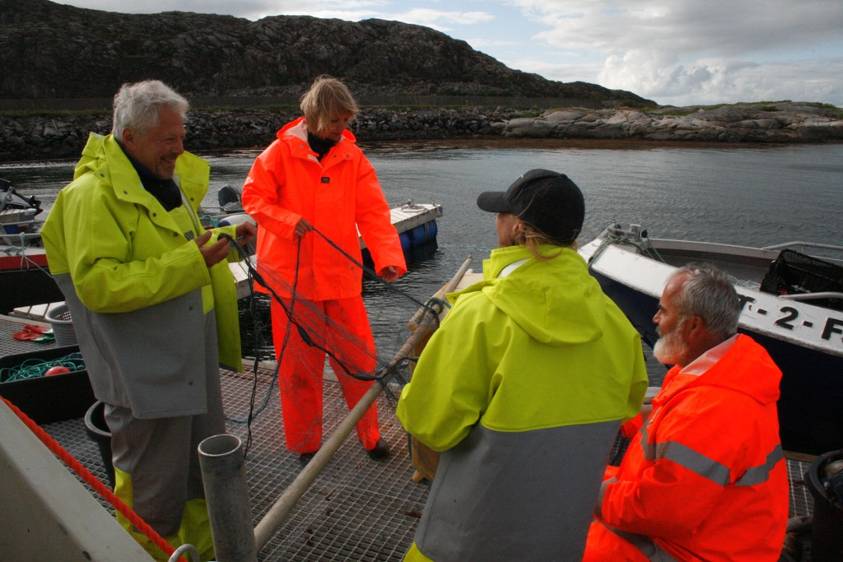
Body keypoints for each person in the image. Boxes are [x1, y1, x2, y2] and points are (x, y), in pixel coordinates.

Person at [41, 80, 255, 561]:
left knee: (201, 478)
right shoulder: (89, 196)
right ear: (130, 136)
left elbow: (174, 251)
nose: (179, 149)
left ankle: (202, 553)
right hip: (143, 374)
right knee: (152, 493)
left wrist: (223, 236)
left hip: (189, 360)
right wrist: (192, 264)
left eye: (180, 137)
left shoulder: (164, 182)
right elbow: (100, 286)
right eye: (168, 139)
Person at [396, 169, 648, 562]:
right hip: (562, 535)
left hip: (470, 536)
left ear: (518, 230)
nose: (495, 220)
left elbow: (431, 425)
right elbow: (629, 403)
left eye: (501, 213)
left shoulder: (480, 316)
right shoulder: (616, 322)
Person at [241, 75, 406, 464]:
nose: (341, 129)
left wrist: (388, 258)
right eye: (336, 121)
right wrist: (284, 219)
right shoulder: (277, 154)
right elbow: (253, 197)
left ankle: (370, 436)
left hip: (341, 279)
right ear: (315, 116)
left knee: (359, 364)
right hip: (291, 283)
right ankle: (305, 444)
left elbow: (373, 213)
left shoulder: (354, 158)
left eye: (346, 121)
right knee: (299, 372)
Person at [583, 265, 789, 561]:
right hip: (712, 527)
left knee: (567, 541)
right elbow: (666, 425)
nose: (655, 319)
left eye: (663, 311)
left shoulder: (714, 411)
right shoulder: (720, 368)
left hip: (698, 551)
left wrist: (586, 488)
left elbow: (661, 513)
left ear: (692, 326)